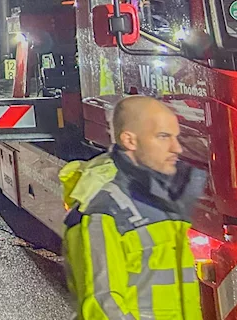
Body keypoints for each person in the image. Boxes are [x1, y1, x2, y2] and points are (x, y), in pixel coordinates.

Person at [61, 95, 206, 320]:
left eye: (176, 137)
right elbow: (103, 307)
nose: (177, 148)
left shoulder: (159, 200)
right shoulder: (102, 211)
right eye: (163, 137)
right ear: (130, 140)